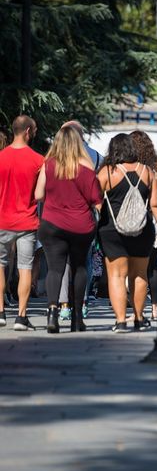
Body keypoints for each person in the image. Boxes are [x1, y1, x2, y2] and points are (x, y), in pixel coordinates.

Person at [34, 126, 102, 333]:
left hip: (52, 224)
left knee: (55, 269)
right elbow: (97, 202)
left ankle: (53, 313)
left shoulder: (49, 165)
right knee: (79, 267)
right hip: (80, 226)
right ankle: (76, 318)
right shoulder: (87, 169)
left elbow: (38, 194)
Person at [97, 133, 157, 333]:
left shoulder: (107, 172)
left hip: (112, 231)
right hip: (143, 230)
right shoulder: (147, 172)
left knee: (116, 276)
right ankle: (139, 318)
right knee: (139, 275)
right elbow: (156, 205)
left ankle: (121, 320)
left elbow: (95, 203)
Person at [0, 115, 44, 330]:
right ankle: (21, 316)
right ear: (27, 131)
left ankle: (0, 312)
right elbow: (39, 194)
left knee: (0, 265)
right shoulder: (38, 160)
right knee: (25, 268)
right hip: (27, 222)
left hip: (2, 220)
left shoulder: (1, 157)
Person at [57, 120, 104, 321]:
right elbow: (100, 190)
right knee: (84, 262)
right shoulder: (96, 157)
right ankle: (82, 302)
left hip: (59, 216)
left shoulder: (56, 159)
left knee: (62, 263)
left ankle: (64, 305)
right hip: (86, 215)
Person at [130, 129, 157, 320]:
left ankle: (134, 306)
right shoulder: (156, 166)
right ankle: (155, 307)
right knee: (152, 267)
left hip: (130, 219)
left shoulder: (126, 166)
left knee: (132, 266)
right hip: (151, 218)